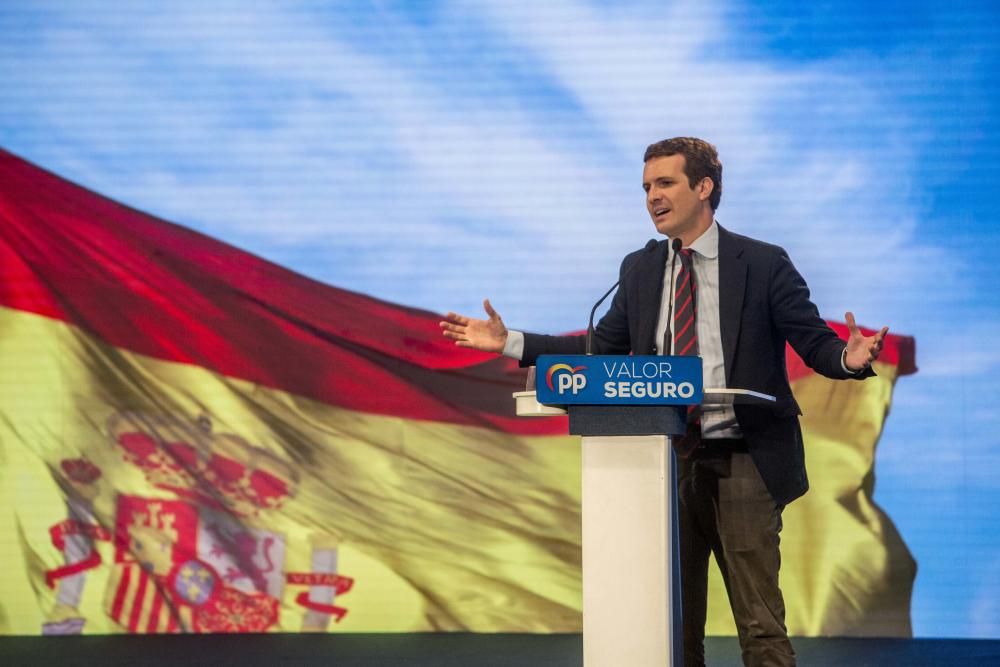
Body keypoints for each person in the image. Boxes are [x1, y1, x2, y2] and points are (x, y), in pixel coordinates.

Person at [440, 137, 887, 667]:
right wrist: (512, 341)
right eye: (647, 186)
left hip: (745, 454)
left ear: (704, 187)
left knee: (759, 623)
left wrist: (850, 358)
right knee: (671, 627)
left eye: (665, 183)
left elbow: (814, 344)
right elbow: (599, 350)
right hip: (662, 458)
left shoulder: (762, 263)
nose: (652, 196)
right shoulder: (642, 268)